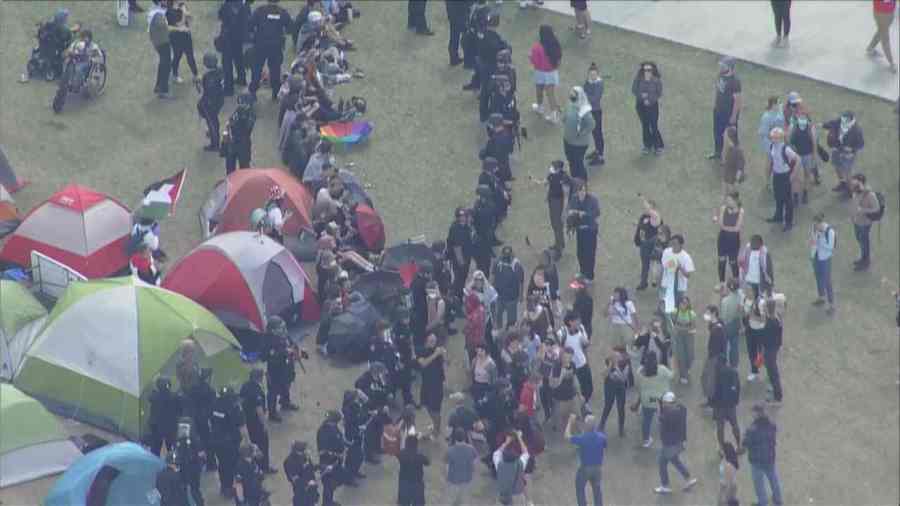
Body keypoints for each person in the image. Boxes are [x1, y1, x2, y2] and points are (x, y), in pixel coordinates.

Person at [654, 392, 698, 494]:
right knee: (675, 461)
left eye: (665, 403)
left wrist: (658, 408)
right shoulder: (681, 410)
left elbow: (660, 419)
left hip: (669, 444)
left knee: (662, 463)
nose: (663, 404)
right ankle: (688, 479)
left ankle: (665, 485)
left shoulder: (667, 415)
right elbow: (678, 406)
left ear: (668, 403)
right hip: (678, 442)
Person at [248, 0, 291, 101]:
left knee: (257, 69)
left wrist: (256, 34)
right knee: (275, 70)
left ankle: (253, 92)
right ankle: (275, 93)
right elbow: (290, 27)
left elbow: (250, 25)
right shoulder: (282, 12)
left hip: (260, 45)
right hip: (275, 47)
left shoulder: (260, 10)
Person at [742, 403, 783, 506]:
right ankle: (778, 500)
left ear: (757, 414)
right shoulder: (772, 425)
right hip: (770, 457)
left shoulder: (752, 430)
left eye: (753, 413)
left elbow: (745, 444)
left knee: (759, 485)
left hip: (757, 461)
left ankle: (763, 503)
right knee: (774, 479)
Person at [210, 384, 246, 498]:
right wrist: (247, 441)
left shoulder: (215, 405)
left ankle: (224, 486)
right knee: (231, 465)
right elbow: (241, 427)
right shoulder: (234, 407)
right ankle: (229, 488)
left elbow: (211, 421)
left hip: (216, 441)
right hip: (230, 442)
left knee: (222, 464)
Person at [631, 351, 672, 448]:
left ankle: (646, 440)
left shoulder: (640, 372)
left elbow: (639, 388)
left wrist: (637, 403)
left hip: (646, 400)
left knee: (646, 420)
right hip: (660, 400)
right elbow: (671, 376)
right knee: (664, 416)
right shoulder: (662, 369)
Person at [240, 369, 277, 474]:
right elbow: (259, 410)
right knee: (263, 445)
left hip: (247, 420)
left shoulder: (244, 386)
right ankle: (264, 467)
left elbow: (241, 401)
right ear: (259, 378)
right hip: (256, 423)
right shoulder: (257, 390)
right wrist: (264, 424)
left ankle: (255, 467)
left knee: (252, 444)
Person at [565, 413, 605, 506]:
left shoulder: (582, 438)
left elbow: (567, 436)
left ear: (586, 426)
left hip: (585, 469)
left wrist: (570, 422)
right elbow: (604, 446)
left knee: (580, 489)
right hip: (597, 468)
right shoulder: (602, 437)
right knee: (597, 490)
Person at [765, 127, 800, 231]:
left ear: (781, 138)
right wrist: (770, 173)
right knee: (777, 196)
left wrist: (793, 175)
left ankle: (788, 222)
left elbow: (798, 160)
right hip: (777, 175)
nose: (773, 139)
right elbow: (772, 160)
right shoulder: (772, 146)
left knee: (787, 200)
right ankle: (778, 216)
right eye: (772, 137)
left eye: (775, 138)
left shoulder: (786, 149)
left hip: (785, 175)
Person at [822, 111, 864, 194]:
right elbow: (832, 123)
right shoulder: (840, 121)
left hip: (848, 155)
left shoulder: (857, 130)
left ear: (850, 120)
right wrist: (823, 125)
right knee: (837, 167)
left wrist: (852, 150)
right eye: (842, 119)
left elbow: (860, 144)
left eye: (845, 120)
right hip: (837, 150)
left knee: (847, 172)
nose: (842, 121)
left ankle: (850, 190)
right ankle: (842, 183)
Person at [265, 319, 299, 421]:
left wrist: (295, 350)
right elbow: (264, 356)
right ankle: (272, 413)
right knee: (273, 393)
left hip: (287, 368)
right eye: (281, 327)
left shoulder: (285, 335)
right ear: (273, 330)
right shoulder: (268, 341)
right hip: (275, 372)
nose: (284, 329)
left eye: (284, 326)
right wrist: (283, 352)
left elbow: (292, 344)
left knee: (286, 386)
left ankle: (285, 403)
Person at [709, 57, 742, 160]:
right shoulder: (720, 75)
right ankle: (718, 153)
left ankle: (734, 157)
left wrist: (733, 116)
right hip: (718, 110)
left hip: (728, 113)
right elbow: (717, 89)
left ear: (730, 68)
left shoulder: (735, 82)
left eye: (723, 66)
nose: (721, 67)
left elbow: (737, 101)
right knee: (717, 132)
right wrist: (715, 103)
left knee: (731, 136)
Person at [567, 180, 600, 281]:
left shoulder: (592, 200)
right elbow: (570, 212)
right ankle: (582, 271)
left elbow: (596, 213)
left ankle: (589, 275)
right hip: (580, 230)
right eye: (580, 191)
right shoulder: (574, 199)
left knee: (589, 253)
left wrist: (583, 214)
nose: (582, 193)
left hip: (590, 231)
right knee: (580, 252)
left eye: (584, 191)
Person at [558, 312, 593, 408]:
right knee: (577, 389)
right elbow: (558, 350)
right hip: (572, 367)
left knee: (589, 388)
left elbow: (585, 344)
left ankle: (584, 403)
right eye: (577, 320)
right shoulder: (562, 333)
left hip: (583, 362)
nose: (579, 322)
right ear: (570, 322)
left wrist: (587, 343)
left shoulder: (581, 328)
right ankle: (580, 407)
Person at [529, 25, 562, 124]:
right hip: (552, 73)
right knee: (551, 94)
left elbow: (535, 62)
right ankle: (554, 115)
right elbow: (559, 59)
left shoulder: (537, 47)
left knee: (539, 90)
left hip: (540, 73)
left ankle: (540, 107)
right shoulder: (556, 44)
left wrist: (530, 57)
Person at [417, 333, 447, 440]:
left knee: (436, 410)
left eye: (434, 341)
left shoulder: (438, 350)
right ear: (426, 341)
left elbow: (445, 364)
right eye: (431, 341)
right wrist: (436, 353)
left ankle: (437, 431)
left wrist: (443, 355)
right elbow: (423, 363)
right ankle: (435, 424)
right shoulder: (421, 350)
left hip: (437, 385)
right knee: (426, 405)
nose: (433, 343)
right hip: (426, 384)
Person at [218, 0, 250, 96]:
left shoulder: (226, 5)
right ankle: (242, 79)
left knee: (227, 63)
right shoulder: (243, 5)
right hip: (238, 37)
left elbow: (220, 16)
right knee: (239, 59)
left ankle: (228, 88)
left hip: (228, 37)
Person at [631, 61, 664, 155]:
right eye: (645, 70)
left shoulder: (656, 81)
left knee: (653, 126)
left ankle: (658, 146)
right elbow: (634, 90)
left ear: (653, 70)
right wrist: (642, 96)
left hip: (652, 106)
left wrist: (649, 99)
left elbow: (659, 93)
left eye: (649, 70)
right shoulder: (638, 79)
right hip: (641, 106)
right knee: (645, 125)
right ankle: (647, 145)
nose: (647, 72)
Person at [849, 173, 881, 270]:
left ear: (861, 183)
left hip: (864, 223)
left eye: (855, 183)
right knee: (859, 239)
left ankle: (865, 261)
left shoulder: (870, 194)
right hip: (856, 221)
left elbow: (876, 208)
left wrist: (863, 210)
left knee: (864, 242)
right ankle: (863, 257)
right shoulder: (855, 191)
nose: (852, 185)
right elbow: (854, 203)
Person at [562, 88, 595, 180]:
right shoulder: (570, 104)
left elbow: (592, 124)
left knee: (578, 164)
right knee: (571, 160)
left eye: (574, 94)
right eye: (571, 93)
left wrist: (581, 134)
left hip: (578, 144)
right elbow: (565, 115)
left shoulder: (584, 110)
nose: (571, 95)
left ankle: (582, 183)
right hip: (567, 139)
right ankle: (574, 179)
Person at [172, 417, 205, 506]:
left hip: (186, 467)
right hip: (192, 467)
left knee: (185, 489)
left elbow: (175, 453)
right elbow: (201, 455)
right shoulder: (195, 439)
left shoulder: (178, 440)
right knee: (194, 490)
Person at [787, 111, 818, 204]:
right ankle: (796, 195)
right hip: (796, 156)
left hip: (807, 155)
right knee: (796, 176)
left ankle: (805, 193)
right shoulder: (793, 127)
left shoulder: (811, 128)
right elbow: (789, 141)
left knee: (807, 175)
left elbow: (814, 143)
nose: (802, 120)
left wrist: (814, 156)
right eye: (800, 118)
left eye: (804, 118)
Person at [317, 410, 347, 506]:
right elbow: (323, 452)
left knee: (335, 482)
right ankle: (327, 503)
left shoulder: (333, 427)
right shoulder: (323, 432)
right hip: (328, 463)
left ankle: (329, 501)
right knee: (328, 486)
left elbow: (339, 437)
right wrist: (336, 455)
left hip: (336, 462)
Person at [541, 160, 571, 255]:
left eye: (553, 167)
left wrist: (564, 211)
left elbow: (566, 195)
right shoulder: (552, 174)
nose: (551, 168)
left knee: (558, 225)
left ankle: (559, 248)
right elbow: (547, 184)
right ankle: (559, 243)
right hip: (552, 201)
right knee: (554, 224)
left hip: (559, 203)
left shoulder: (564, 177)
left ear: (559, 168)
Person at [659, 234, 694, 314]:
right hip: (666, 284)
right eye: (672, 243)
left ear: (681, 245)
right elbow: (664, 266)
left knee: (676, 308)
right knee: (664, 306)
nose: (673, 246)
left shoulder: (686, 257)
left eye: (675, 243)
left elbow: (688, 275)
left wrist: (680, 268)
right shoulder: (666, 252)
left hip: (679, 287)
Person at [197, 52, 225, 152]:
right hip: (220, 100)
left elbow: (204, 90)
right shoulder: (221, 70)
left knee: (212, 122)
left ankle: (215, 144)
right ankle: (213, 134)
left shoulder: (207, 77)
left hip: (210, 102)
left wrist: (198, 83)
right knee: (212, 119)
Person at [598, 347, 629, 437]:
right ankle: (601, 424)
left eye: (617, 356)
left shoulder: (625, 363)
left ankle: (621, 429)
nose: (615, 358)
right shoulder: (608, 361)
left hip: (620, 387)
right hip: (609, 386)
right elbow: (603, 375)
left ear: (621, 356)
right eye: (613, 356)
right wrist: (610, 366)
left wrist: (616, 368)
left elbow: (623, 378)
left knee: (621, 408)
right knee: (607, 406)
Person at [223, 92, 257, 174]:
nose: (240, 104)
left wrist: (238, 120)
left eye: (242, 103)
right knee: (230, 164)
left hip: (243, 143)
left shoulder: (251, 114)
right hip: (233, 140)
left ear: (248, 104)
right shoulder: (239, 109)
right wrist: (229, 123)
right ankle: (230, 179)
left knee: (244, 166)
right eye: (239, 102)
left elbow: (247, 127)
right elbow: (231, 118)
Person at [494, 431, 530, 505]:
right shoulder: (520, 463)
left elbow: (497, 453)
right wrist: (519, 438)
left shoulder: (499, 464)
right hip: (517, 495)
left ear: (503, 457)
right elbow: (526, 452)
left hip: (504, 495)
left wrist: (507, 442)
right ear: (515, 457)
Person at [493, 246, 525, 330]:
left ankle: (510, 333)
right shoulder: (497, 262)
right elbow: (493, 276)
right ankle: (498, 330)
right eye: (505, 255)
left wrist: (521, 295)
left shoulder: (517, 266)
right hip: (499, 296)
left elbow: (521, 281)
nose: (506, 257)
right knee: (497, 315)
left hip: (511, 298)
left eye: (508, 255)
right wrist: (492, 291)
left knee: (511, 320)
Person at [809, 212, 836, 314]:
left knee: (827, 281)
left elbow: (831, 247)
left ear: (821, 222)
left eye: (816, 224)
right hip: (816, 256)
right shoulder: (814, 227)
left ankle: (832, 305)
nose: (815, 226)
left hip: (825, 259)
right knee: (818, 277)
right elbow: (813, 240)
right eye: (814, 224)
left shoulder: (830, 232)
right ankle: (821, 297)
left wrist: (820, 238)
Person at [711, 360, 741, 449]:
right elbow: (737, 388)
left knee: (720, 427)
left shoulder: (715, 373)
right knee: (734, 424)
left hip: (719, 405)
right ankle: (738, 445)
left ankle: (721, 447)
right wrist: (736, 400)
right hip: (730, 404)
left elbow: (711, 389)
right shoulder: (733, 372)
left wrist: (712, 404)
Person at [634, 196, 663, 291]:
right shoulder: (643, 217)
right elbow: (640, 228)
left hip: (654, 245)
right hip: (644, 245)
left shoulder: (656, 217)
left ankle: (657, 282)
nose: (645, 209)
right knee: (645, 265)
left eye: (649, 208)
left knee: (656, 264)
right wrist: (637, 239)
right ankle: (643, 283)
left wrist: (644, 202)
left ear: (653, 209)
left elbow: (655, 220)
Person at [166, 0, 198, 85]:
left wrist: (188, 15)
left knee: (190, 55)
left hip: (186, 35)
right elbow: (179, 24)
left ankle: (195, 75)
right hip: (176, 37)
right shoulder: (170, 11)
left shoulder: (182, 5)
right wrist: (184, 13)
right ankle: (175, 75)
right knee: (177, 56)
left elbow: (190, 19)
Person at [148, 0, 175, 99]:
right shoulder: (158, 14)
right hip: (161, 41)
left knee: (164, 63)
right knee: (166, 64)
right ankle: (163, 89)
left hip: (159, 40)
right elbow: (163, 25)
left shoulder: (156, 10)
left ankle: (160, 87)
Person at [446, 428, 479, 506]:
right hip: (467, 478)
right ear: (464, 437)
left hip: (453, 479)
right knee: (465, 500)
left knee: (452, 499)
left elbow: (447, 466)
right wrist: (472, 469)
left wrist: (447, 476)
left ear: (455, 438)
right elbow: (476, 460)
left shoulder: (450, 450)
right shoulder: (471, 449)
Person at [716, 192, 744, 283]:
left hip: (733, 241)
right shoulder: (723, 208)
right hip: (722, 239)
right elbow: (721, 225)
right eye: (727, 200)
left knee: (733, 262)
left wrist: (726, 227)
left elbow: (737, 228)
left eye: (729, 200)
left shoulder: (741, 211)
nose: (727, 202)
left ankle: (736, 282)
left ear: (735, 201)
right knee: (721, 261)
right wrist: (730, 228)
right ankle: (722, 283)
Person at [148, 377, 179, 457]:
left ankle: (154, 465)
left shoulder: (154, 396)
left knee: (155, 449)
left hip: (157, 427)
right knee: (170, 449)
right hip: (170, 428)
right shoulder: (173, 396)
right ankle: (170, 465)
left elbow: (151, 397)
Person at [550, 347, 579, 431]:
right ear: (562, 356)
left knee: (573, 414)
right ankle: (555, 425)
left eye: (570, 357)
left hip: (570, 395)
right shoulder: (556, 366)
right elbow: (554, 384)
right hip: (559, 397)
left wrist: (579, 393)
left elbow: (574, 378)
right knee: (558, 416)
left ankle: (569, 429)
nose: (567, 360)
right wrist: (562, 374)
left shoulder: (573, 364)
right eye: (566, 357)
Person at [762, 296, 784, 404]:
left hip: (770, 349)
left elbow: (766, 337)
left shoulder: (771, 322)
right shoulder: (777, 319)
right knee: (771, 372)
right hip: (773, 348)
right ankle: (774, 393)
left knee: (773, 373)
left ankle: (777, 396)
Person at [866, 0, 898, 72]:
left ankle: (870, 48)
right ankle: (891, 62)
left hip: (890, 11)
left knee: (881, 31)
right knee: (885, 37)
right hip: (881, 13)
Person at [284, 441, 320, 506]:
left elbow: (311, 467)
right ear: (298, 452)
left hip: (312, 487)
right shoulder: (289, 462)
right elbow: (294, 480)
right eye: (305, 449)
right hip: (301, 490)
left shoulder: (305, 456)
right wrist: (307, 483)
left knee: (312, 501)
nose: (308, 451)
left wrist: (321, 466)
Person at [670, 296, 696, 384]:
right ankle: (683, 375)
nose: (684, 305)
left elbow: (693, 326)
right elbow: (672, 323)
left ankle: (686, 368)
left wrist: (683, 328)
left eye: (685, 303)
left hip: (688, 336)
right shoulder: (675, 312)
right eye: (682, 303)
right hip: (678, 336)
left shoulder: (691, 314)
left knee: (690, 355)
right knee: (681, 355)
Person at [396, 435, 429, 506]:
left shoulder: (401, 453)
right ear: (416, 444)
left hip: (404, 483)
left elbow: (398, 454)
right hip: (417, 483)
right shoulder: (420, 456)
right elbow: (428, 462)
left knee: (404, 503)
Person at [719, 279, 745, 369]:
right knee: (734, 345)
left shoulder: (725, 301)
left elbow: (723, 316)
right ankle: (734, 365)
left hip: (727, 324)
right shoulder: (740, 296)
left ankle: (725, 363)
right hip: (736, 323)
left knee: (725, 345)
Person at [583, 62, 605, 165]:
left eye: (594, 74)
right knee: (594, 133)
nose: (592, 76)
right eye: (590, 74)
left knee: (598, 134)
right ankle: (597, 151)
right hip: (589, 111)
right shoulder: (589, 82)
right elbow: (584, 92)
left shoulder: (599, 84)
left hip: (596, 111)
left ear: (597, 74)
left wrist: (586, 96)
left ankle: (600, 157)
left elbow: (595, 99)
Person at [744, 292, 767, 382]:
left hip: (759, 330)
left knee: (762, 352)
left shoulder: (761, 303)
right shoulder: (746, 300)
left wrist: (751, 316)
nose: (747, 290)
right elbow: (745, 313)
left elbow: (763, 319)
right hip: (750, 329)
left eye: (749, 289)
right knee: (751, 351)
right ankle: (754, 371)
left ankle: (767, 370)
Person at [445, 0, 473, 65]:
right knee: (466, 35)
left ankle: (454, 57)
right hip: (460, 12)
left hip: (452, 11)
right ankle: (468, 60)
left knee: (454, 35)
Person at [721, 127, 745, 196]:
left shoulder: (737, 151)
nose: (723, 136)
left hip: (732, 180)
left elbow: (740, 167)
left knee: (732, 199)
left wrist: (736, 181)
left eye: (725, 135)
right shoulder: (729, 148)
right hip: (727, 178)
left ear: (729, 138)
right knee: (726, 196)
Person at [718, 441, 740, 506]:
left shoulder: (728, 465)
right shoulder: (726, 461)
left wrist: (725, 495)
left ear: (725, 451)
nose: (719, 450)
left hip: (728, 487)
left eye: (721, 449)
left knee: (724, 503)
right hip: (728, 486)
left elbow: (729, 481)